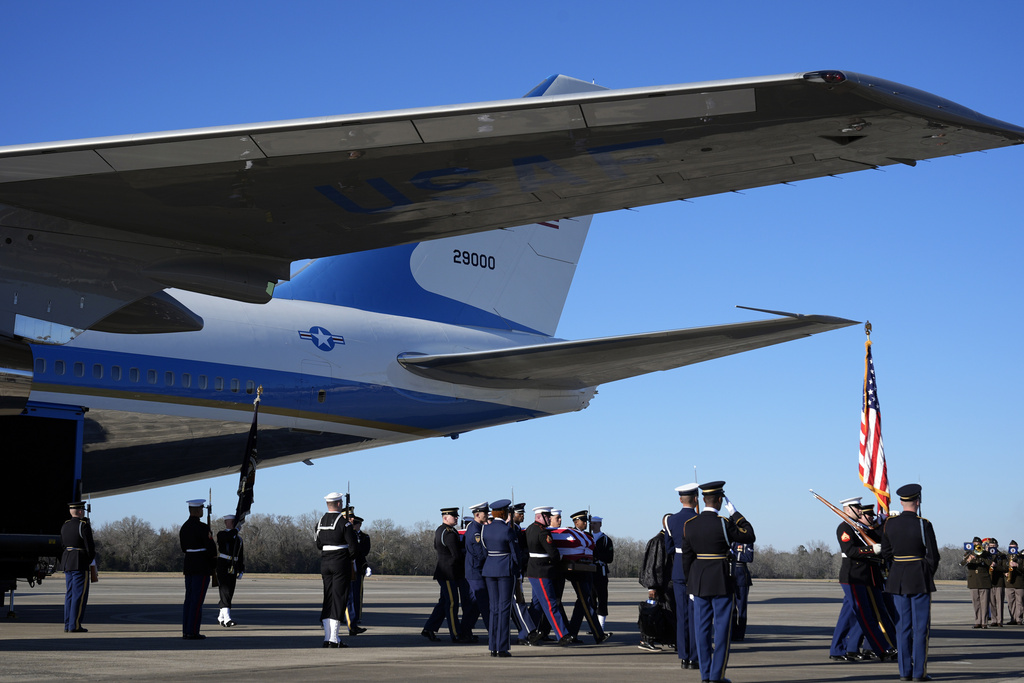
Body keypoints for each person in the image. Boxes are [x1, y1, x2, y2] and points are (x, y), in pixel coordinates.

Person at [679, 480, 755, 683]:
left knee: (702, 631)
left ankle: (705, 676)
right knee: (722, 632)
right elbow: (749, 535)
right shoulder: (724, 522)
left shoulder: (690, 525)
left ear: (702, 499)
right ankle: (716, 676)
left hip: (699, 583)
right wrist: (736, 514)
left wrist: (690, 584)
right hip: (721, 581)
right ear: (720, 500)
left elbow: (687, 559)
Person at [880, 483, 939, 683]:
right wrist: (925, 572)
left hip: (898, 579)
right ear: (918, 500)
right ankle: (918, 673)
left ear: (901, 502)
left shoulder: (889, 523)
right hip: (919, 578)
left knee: (902, 627)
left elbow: (886, 553)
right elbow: (933, 556)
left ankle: (904, 672)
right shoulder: (924, 524)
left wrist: (896, 570)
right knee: (921, 627)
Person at [829, 497, 895, 662]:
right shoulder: (844, 528)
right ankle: (882, 649)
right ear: (848, 509)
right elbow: (850, 550)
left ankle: (837, 649)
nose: (860, 510)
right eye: (857, 507)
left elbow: (878, 537)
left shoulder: (860, 527)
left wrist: (885, 523)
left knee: (848, 616)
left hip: (865, 577)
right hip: (853, 577)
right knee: (866, 616)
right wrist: (870, 549)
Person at [664, 483, 699, 668]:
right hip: (695, 570)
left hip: (678, 569)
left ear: (680, 500)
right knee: (695, 615)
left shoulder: (670, 520)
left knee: (682, 614)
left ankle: (684, 656)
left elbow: (668, 547)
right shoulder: (699, 520)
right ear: (696, 499)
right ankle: (694, 656)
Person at [525, 506, 571, 646]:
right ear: (541, 516)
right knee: (551, 604)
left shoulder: (529, 529)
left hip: (533, 571)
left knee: (537, 605)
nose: (550, 518)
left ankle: (525, 633)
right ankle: (562, 635)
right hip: (542, 572)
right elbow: (553, 554)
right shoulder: (542, 532)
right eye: (548, 516)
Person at [316, 491, 357, 648]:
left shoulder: (320, 522)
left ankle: (328, 637)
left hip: (325, 562)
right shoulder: (344, 523)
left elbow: (319, 544)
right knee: (339, 598)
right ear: (339, 504)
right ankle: (333, 638)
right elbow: (353, 547)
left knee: (328, 597)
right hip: (340, 562)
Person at [482, 499, 519, 657]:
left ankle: (493, 647)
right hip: (505, 570)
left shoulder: (485, 530)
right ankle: (502, 647)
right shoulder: (508, 530)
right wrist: (517, 569)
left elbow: (484, 552)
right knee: (504, 608)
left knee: (494, 608)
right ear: (504, 513)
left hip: (490, 569)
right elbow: (515, 554)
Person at [422, 506, 465, 642]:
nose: (457, 518)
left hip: (445, 571)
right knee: (452, 603)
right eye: (454, 516)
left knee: (444, 602)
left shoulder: (440, 530)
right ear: (445, 518)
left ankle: (429, 628)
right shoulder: (449, 533)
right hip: (449, 573)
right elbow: (457, 555)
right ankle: (456, 633)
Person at [565, 510, 607, 643]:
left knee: (581, 605)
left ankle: (572, 634)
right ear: (576, 522)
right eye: (584, 521)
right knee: (585, 603)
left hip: (588, 571)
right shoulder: (571, 534)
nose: (586, 524)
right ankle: (598, 634)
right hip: (577, 573)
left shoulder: (588, 535)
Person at [179, 498, 217, 641]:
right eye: (201, 509)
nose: (202, 511)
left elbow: (184, 548)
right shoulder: (203, 528)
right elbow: (211, 548)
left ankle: (186, 630)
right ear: (197, 511)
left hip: (189, 565)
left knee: (189, 599)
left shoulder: (184, 527)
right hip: (201, 566)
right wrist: (214, 564)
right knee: (197, 600)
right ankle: (193, 631)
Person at [57, 501, 96, 633]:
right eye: (82, 510)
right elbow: (90, 547)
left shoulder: (65, 526)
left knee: (70, 594)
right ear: (80, 511)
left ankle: (68, 624)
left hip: (68, 561)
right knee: (79, 595)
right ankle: (75, 625)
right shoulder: (83, 526)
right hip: (79, 561)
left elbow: (62, 544)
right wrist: (90, 560)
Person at [460, 501, 490, 643]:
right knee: (484, 603)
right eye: (485, 513)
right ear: (477, 514)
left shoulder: (477, 527)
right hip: (476, 571)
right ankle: (494, 632)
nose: (487, 515)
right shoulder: (475, 530)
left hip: (475, 571)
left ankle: (464, 632)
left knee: (474, 605)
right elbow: (480, 553)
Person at [215, 514, 244, 627]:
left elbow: (240, 555)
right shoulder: (221, 534)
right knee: (225, 590)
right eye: (232, 522)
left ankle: (221, 616)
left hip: (234, 565)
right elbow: (227, 538)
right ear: (226, 522)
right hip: (223, 565)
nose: (234, 524)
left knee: (230, 591)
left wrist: (241, 569)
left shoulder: (239, 538)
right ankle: (227, 618)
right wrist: (236, 530)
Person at [960, 535, 992, 628]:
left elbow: (990, 563)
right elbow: (961, 564)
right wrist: (968, 559)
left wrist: (981, 556)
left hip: (984, 581)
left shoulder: (986, 554)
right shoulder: (968, 553)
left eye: (978, 544)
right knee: (976, 603)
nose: (977, 545)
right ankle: (977, 621)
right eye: (975, 544)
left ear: (981, 545)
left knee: (984, 603)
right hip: (973, 581)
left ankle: (984, 622)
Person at [590, 515, 614, 633]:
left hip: (601, 571)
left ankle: (601, 626)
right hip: (589, 571)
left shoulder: (606, 539)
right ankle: (593, 626)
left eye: (595, 523)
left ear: (600, 524)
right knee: (591, 599)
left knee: (602, 598)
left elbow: (610, 558)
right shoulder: (586, 537)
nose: (592, 525)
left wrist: (597, 556)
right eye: (591, 523)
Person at [347, 515, 371, 631]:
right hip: (346, 567)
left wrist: (366, 566)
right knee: (347, 596)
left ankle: (355, 618)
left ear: (359, 525)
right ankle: (348, 619)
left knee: (357, 595)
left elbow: (364, 552)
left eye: (355, 524)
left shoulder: (364, 537)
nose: (354, 526)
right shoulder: (347, 535)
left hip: (358, 568)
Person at [987, 538, 1007, 627]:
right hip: (989, 582)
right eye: (990, 546)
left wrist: (996, 566)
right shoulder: (986, 555)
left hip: (999, 582)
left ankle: (1000, 620)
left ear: (997, 546)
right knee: (992, 603)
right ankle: (994, 620)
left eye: (994, 546)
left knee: (999, 603)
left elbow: (1005, 568)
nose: (992, 547)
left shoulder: (1002, 556)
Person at [1006, 541, 1023, 625]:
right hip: (1009, 583)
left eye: (1014, 547)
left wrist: (1017, 565)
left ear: (1017, 547)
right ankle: (1012, 618)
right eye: (1011, 546)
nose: (1012, 548)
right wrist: (1005, 573)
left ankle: (1019, 619)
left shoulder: (1021, 557)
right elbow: (1002, 567)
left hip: (1019, 583)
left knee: (1020, 602)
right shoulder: (1006, 557)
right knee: (1010, 602)